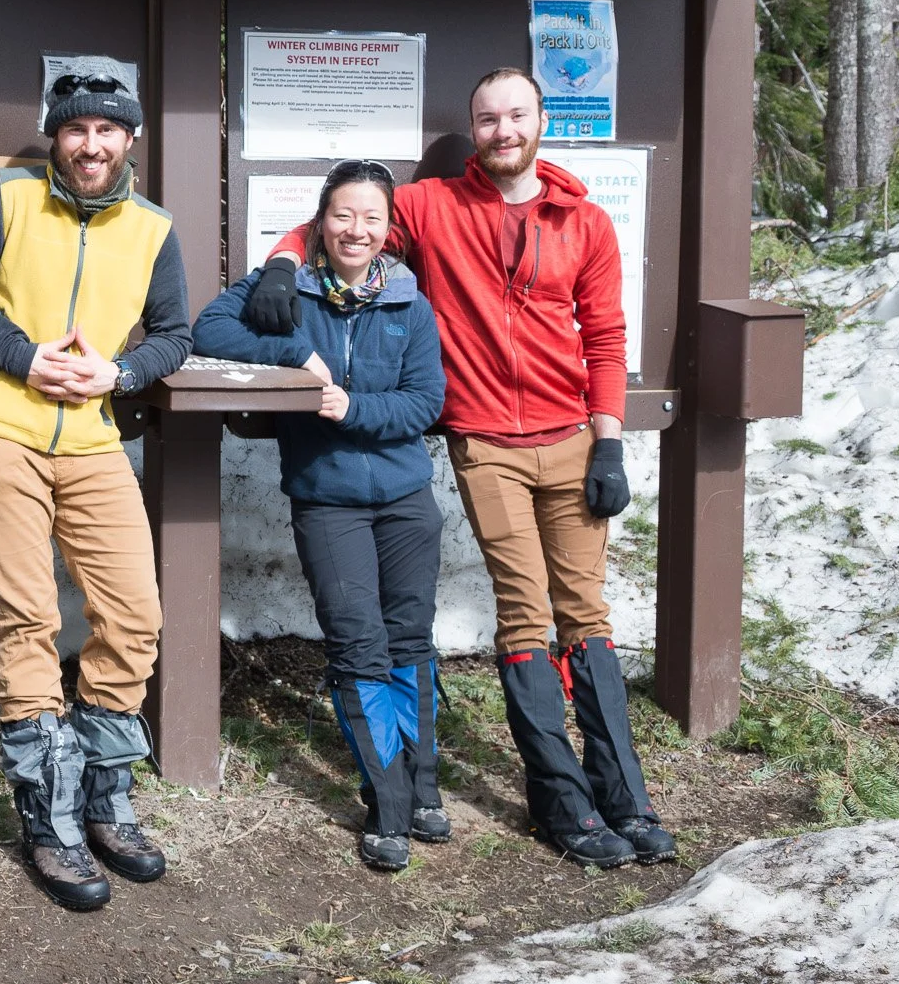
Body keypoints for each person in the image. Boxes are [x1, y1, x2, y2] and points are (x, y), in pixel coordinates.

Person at [246, 67, 675, 870]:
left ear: (542, 121)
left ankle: (625, 795)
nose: (503, 129)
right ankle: (561, 800)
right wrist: (276, 264)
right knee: (524, 612)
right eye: (487, 117)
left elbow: (608, 339)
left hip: (573, 435)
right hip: (486, 443)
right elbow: (337, 224)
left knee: (587, 614)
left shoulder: (583, 220)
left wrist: (610, 440)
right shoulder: (435, 206)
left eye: (516, 115)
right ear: (472, 128)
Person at [0, 73, 192, 911]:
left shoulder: (154, 228)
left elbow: (176, 333)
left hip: (92, 438)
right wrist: (24, 356)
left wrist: (119, 371)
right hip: (0, 430)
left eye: (107, 131)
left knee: (136, 614)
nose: (90, 144)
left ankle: (106, 800)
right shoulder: (9, 196)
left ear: (130, 140)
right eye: (75, 128)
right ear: (55, 136)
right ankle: (49, 818)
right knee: (30, 618)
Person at [192, 160, 447, 871]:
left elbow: (426, 402)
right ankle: (387, 802)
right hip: (328, 499)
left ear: (388, 227)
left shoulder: (409, 302)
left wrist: (351, 407)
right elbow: (208, 327)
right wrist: (293, 352)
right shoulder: (291, 286)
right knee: (358, 645)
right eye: (343, 215)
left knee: (409, 641)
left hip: (405, 501)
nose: (355, 230)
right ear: (320, 220)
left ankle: (423, 789)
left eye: (370, 218)